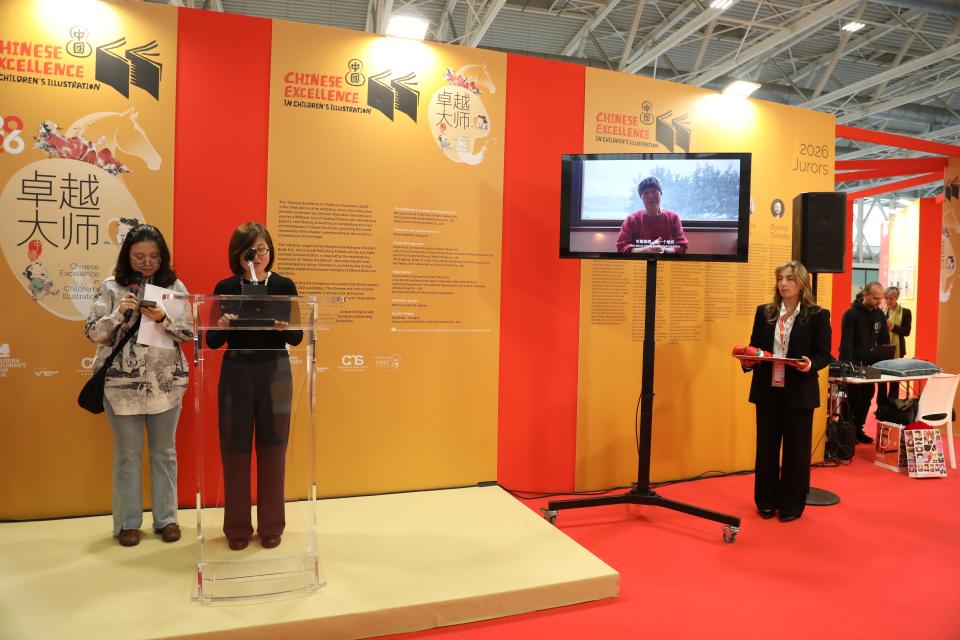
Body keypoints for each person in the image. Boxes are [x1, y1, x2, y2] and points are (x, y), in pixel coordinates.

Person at [84, 224, 192, 547]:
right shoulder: (111, 287)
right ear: (127, 256)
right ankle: (127, 523)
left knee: (164, 453)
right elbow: (92, 332)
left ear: (163, 257)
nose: (147, 262)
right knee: (128, 455)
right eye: (139, 256)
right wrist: (119, 314)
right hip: (121, 386)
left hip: (165, 383)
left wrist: (163, 318)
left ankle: (167, 518)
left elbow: (189, 333)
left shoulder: (174, 286)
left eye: (154, 256)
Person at [206, 222, 302, 550]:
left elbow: (297, 337)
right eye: (250, 251)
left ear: (270, 251)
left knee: (274, 449)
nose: (257, 256)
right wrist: (221, 325)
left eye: (262, 249)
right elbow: (212, 340)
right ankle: (237, 528)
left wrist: (282, 327)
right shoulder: (226, 287)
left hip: (275, 371)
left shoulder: (284, 285)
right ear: (238, 254)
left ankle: (272, 525)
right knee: (235, 450)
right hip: (236, 371)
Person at [741, 260, 832, 522]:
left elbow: (823, 354)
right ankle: (766, 501)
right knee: (766, 448)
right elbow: (755, 347)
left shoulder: (817, 315)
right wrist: (748, 360)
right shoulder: (765, 312)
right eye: (780, 278)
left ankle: (791, 505)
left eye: (790, 278)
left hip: (799, 391)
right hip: (767, 390)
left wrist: (810, 364)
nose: (783, 283)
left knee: (796, 451)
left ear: (802, 283)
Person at [839, 282, 890, 444]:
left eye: (881, 298)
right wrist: (846, 365)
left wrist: (885, 363)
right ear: (865, 295)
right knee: (853, 398)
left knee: (867, 397)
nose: (879, 301)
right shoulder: (851, 314)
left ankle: (858, 429)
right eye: (875, 298)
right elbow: (846, 343)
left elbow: (884, 341)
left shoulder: (880, 314)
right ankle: (847, 430)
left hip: (871, 365)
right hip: (853, 364)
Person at [615, 176, 688, 254]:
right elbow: (621, 247)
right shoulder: (631, 219)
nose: (651, 196)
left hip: (666, 261)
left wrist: (664, 250)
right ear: (641, 197)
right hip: (639, 261)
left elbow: (682, 246)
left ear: (660, 194)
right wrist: (646, 250)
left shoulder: (673, 218)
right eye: (646, 193)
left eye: (654, 191)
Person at [882, 286, 912, 402]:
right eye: (886, 298)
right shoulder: (881, 312)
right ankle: (882, 404)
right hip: (883, 349)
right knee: (881, 379)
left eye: (891, 298)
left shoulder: (905, 312)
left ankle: (893, 403)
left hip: (898, 349)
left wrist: (893, 327)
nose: (888, 301)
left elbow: (907, 332)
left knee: (895, 379)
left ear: (897, 298)